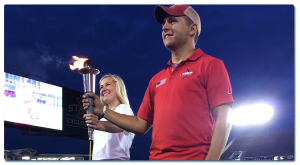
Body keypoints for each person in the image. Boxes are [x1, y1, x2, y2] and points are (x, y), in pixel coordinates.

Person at [83, 4, 234, 160]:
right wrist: (103, 111)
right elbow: (141, 125)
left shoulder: (210, 65)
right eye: (163, 24)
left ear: (192, 29)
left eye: (172, 21)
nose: (165, 27)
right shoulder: (156, 80)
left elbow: (224, 117)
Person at [83, 74, 135, 160]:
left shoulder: (123, 108)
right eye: (101, 87)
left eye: (108, 84)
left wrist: (97, 123)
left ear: (118, 87)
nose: (103, 89)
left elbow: (120, 126)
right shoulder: (103, 119)